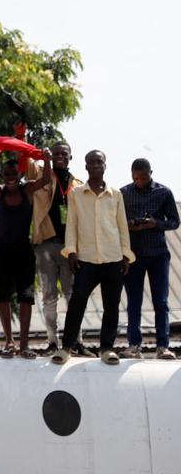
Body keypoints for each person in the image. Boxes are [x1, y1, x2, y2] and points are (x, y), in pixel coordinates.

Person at [54, 150, 135, 365]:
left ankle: (106, 349)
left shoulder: (115, 194)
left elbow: (121, 226)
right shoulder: (76, 194)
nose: (96, 165)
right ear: (86, 166)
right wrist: (71, 250)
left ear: (105, 165)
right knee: (77, 302)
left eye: (99, 161)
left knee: (111, 305)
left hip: (113, 257)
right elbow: (71, 224)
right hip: (86, 258)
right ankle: (66, 348)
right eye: (92, 162)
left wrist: (126, 255)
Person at [0, 153, 52, 359]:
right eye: (6, 174)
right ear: (1, 175)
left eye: (14, 173)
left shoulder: (28, 189)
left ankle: (24, 345)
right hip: (2, 252)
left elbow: (45, 180)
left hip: (24, 251)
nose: (10, 177)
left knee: (26, 298)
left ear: (20, 173)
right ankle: (9, 342)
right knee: (3, 297)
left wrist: (47, 159)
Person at [26, 143, 84, 353]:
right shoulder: (41, 173)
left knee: (72, 295)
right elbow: (25, 161)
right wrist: (22, 136)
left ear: (70, 156)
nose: (60, 156)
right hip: (46, 243)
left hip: (70, 246)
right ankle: (52, 341)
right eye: (56, 153)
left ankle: (75, 342)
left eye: (63, 154)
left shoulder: (77, 183)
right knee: (49, 295)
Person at [121, 158, 179, 360]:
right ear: (131, 175)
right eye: (136, 178)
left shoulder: (164, 192)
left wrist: (155, 223)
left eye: (143, 177)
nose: (140, 181)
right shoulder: (123, 193)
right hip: (133, 254)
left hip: (158, 254)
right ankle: (134, 344)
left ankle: (162, 346)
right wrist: (129, 224)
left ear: (150, 173)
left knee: (161, 302)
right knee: (134, 302)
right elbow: (116, 222)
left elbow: (174, 222)